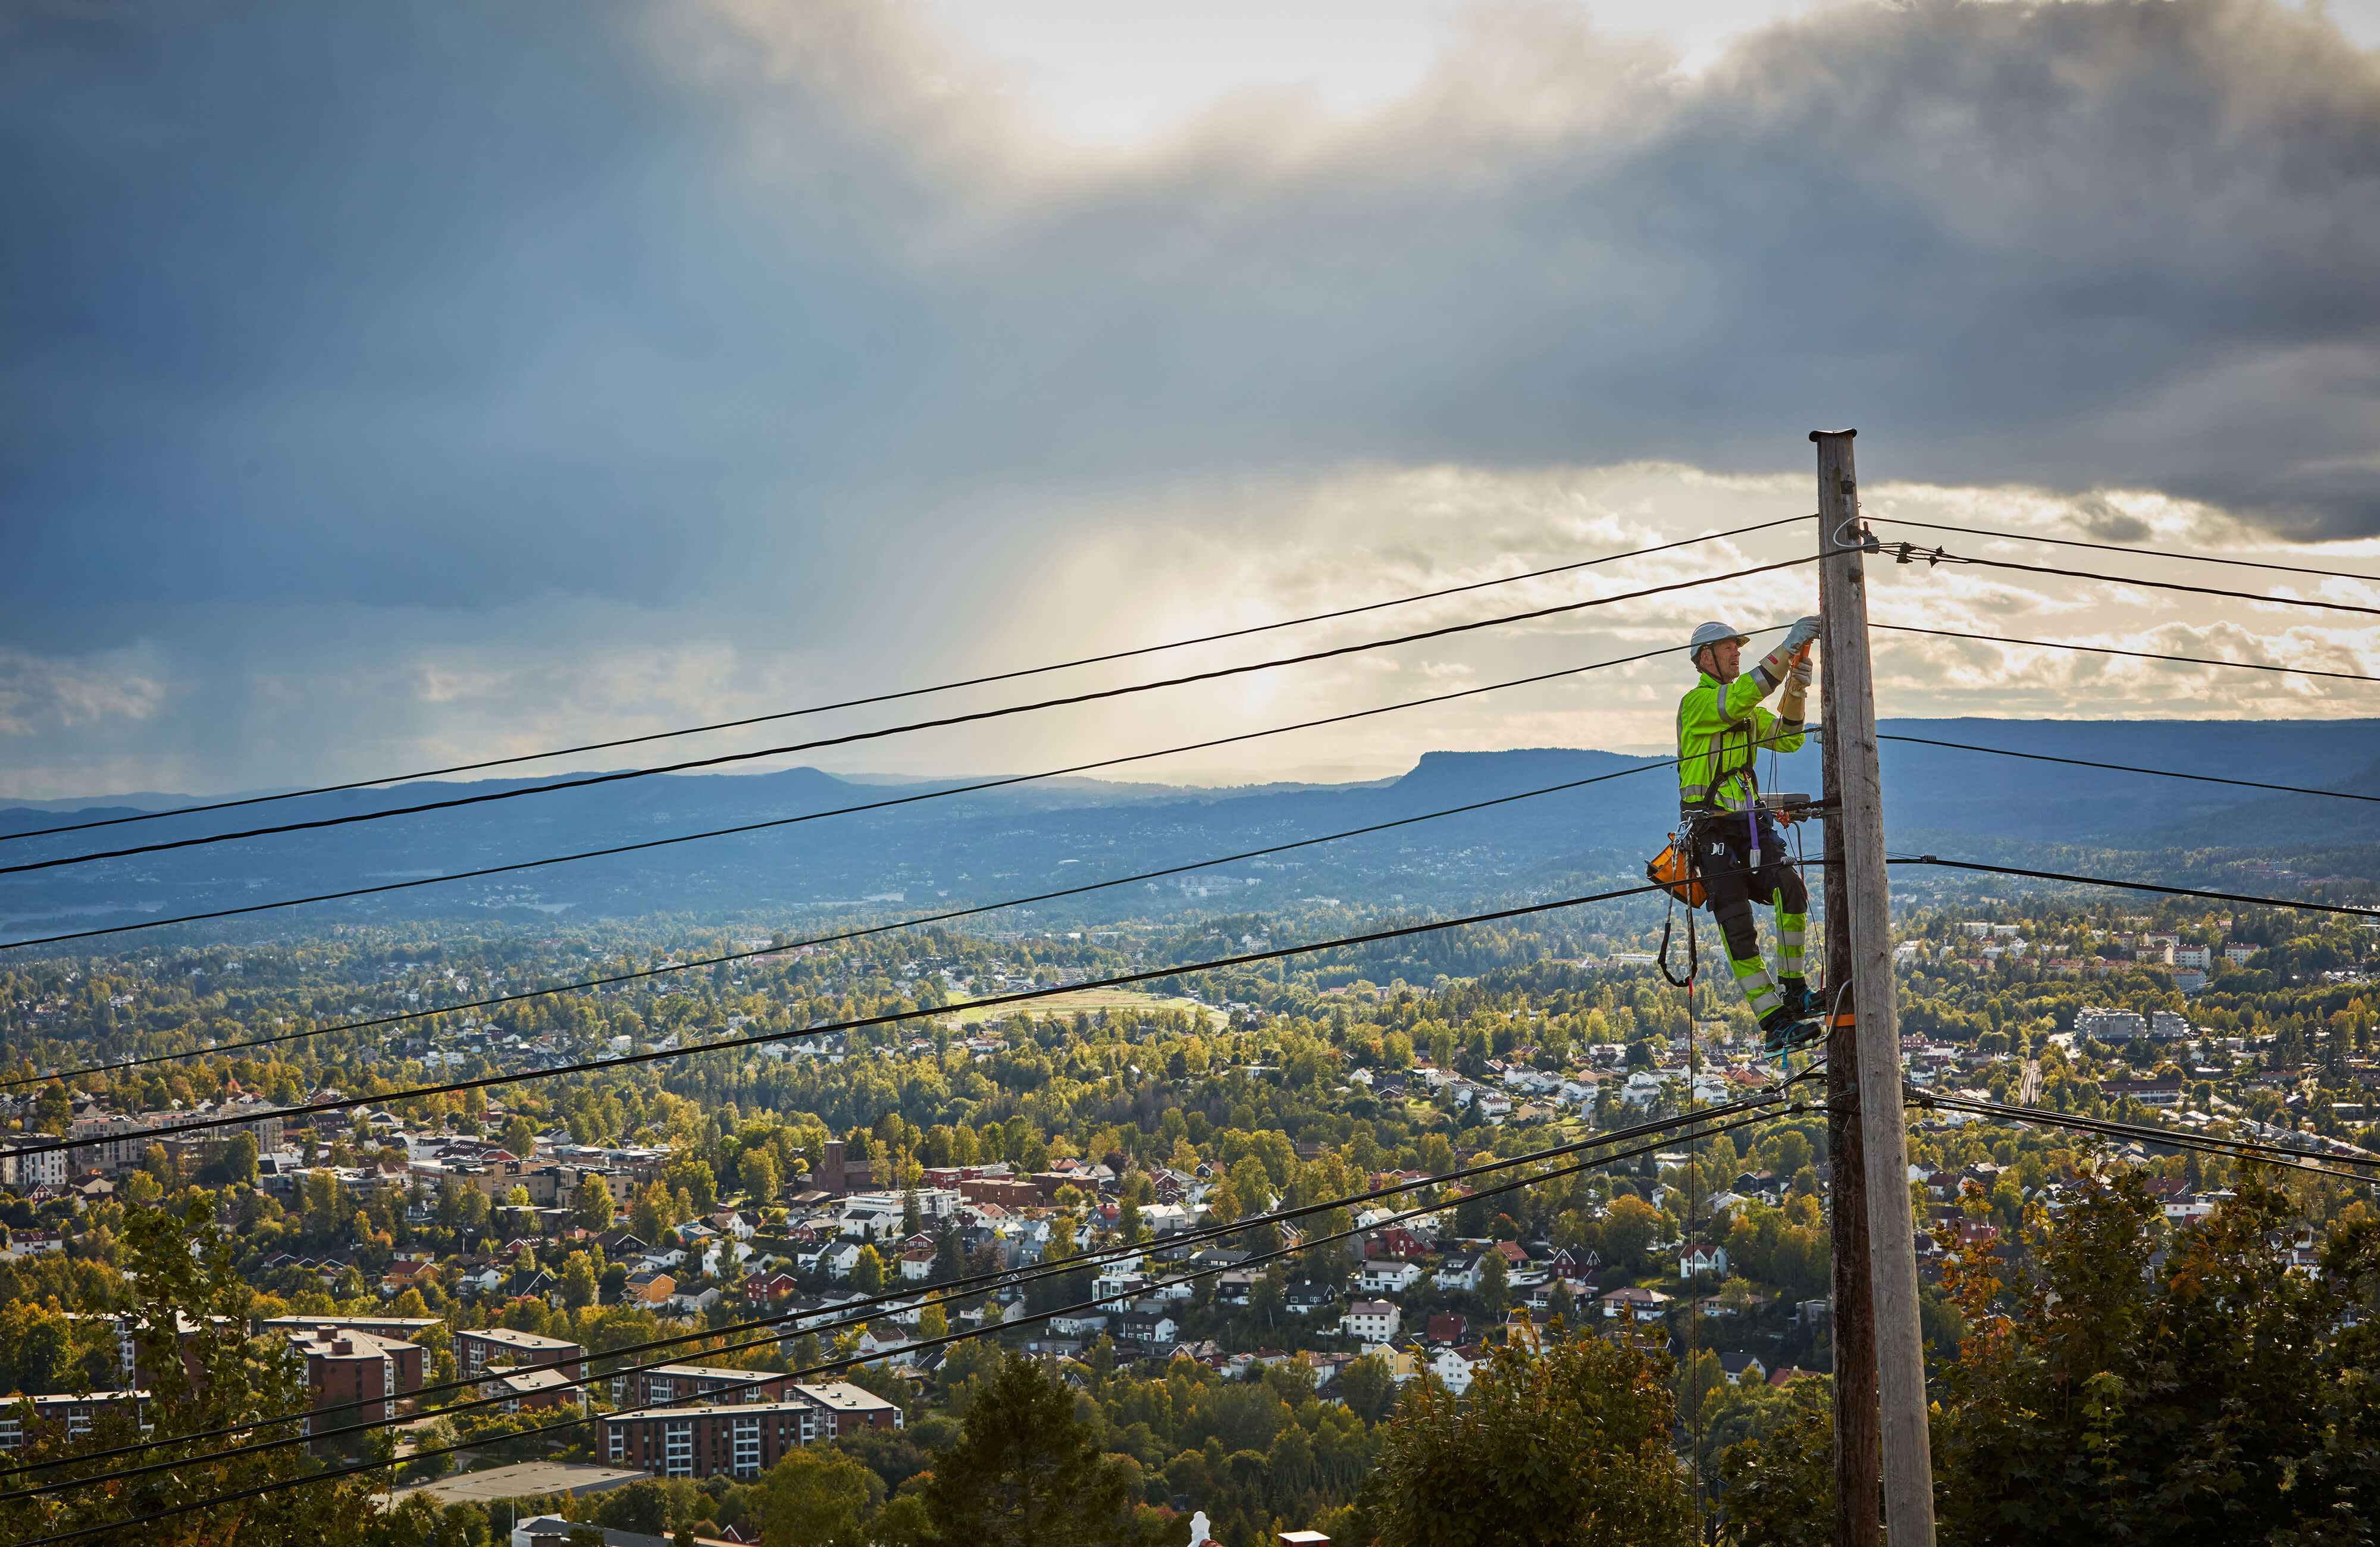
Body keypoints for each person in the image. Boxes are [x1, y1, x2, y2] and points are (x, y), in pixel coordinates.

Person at [1676, 616, 1821, 1054]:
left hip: (1749, 827)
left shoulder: (1742, 712)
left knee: (1791, 892)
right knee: (1738, 926)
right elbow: (1742, 697)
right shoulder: (1698, 705)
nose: (1737, 653)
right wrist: (1788, 648)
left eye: (1738, 648)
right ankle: (1774, 1021)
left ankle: (1794, 990)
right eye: (1728, 649)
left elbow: (1790, 737)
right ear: (1706, 658)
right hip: (1713, 829)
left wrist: (1796, 690)